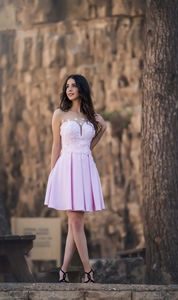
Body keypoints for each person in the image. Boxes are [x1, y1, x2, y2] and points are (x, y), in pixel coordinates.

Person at [44, 74, 106, 283]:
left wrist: (102, 128)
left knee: (75, 222)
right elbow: (56, 145)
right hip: (67, 167)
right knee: (75, 219)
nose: (69, 89)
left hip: (85, 166)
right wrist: (53, 174)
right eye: (67, 86)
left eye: (74, 85)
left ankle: (63, 271)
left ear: (82, 89)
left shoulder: (91, 117)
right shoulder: (59, 114)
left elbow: (89, 146)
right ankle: (89, 272)